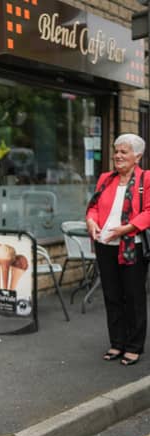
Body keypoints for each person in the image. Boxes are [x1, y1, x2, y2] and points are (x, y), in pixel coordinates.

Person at [86, 133, 150, 366]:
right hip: (106, 246)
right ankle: (117, 343)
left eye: (124, 152)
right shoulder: (105, 179)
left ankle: (133, 346)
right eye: (116, 151)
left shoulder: (147, 179)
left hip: (132, 246)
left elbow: (149, 212)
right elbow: (93, 206)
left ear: (138, 156)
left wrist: (125, 229)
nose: (118, 156)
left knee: (133, 297)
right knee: (112, 296)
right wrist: (91, 221)